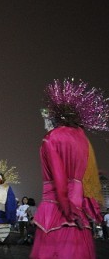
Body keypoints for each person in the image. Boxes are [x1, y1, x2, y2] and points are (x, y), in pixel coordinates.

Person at [30, 78, 107, 259]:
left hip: (57, 207)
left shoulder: (52, 138)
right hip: (79, 208)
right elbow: (86, 176)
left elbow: (59, 176)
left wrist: (66, 207)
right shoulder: (84, 140)